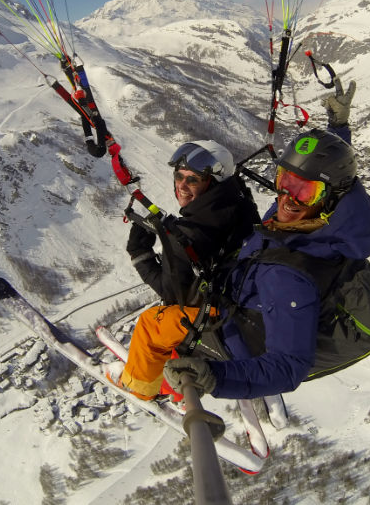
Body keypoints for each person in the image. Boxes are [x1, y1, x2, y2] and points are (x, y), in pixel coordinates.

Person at [162, 80, 370, 399]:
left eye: (304, 191)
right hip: (242, 291)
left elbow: (288, 367)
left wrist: (215, 377)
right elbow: (331, 172)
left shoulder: (288, 276)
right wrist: (338, 126)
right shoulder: (310, 217)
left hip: (237, 337)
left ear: (329, 200)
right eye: (284, 180)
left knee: (160, 326)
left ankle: (152, 387)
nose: (287, 197)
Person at [106, 139, 261, 400]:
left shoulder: (191, 236)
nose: (182, 185)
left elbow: (171, 292)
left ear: (212, 182)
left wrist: (139, 253)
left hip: (222, 316)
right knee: (182, 327)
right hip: (244, 303)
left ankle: (141, 388)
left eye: (193, 180)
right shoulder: (240, 200)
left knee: (153, 324)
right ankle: (173, 388)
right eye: (179, 176)